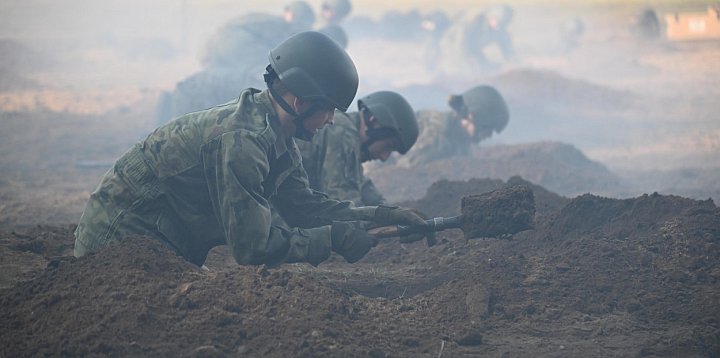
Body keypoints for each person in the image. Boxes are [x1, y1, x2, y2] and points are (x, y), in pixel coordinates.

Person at [75, 31, 429, 267]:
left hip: (159, 240)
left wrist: (382, 216)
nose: (333, 121)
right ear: (299, 99)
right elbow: (252, 246)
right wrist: (331, 239)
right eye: (328, 109)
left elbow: (305, 207)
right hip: (118, 241)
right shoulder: (243, 141)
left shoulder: (278, 137)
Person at [154, 1, 316, 125]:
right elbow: (275, 57)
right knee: (255, 78)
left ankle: (169, 106)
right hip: (236, 45)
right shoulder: (278, 26)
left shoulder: (261, 19)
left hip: (221, 46)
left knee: (212, 88)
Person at [298, 90, 418, 207]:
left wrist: (391, 214)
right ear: (374, 122)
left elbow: (364, 188)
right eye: (389, 146)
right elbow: (343, 203)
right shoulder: (344, 134)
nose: (384, 157)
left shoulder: (347, 135)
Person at [395, 85, 509, 168]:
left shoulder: (461, 143)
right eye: (487, 129)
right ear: (470, 116)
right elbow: (404, 169)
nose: (488, 136)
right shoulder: (434, 134)